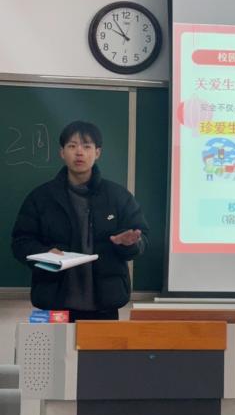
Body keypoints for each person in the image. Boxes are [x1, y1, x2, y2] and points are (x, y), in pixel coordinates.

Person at [11, 121, 149, 322]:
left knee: (101, 345)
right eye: (72, 146)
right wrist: (45, 253)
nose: (79, 152)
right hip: (53, 302)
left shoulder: (118, 196)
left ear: (97, 152)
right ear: (62, 152)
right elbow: (20, 242)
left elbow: (141, 239)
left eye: (86, 146)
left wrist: (129, 243)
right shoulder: (41, 197)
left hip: (105, 304)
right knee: (54, 345)